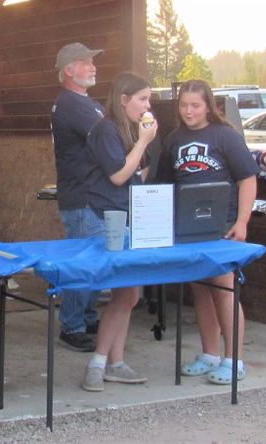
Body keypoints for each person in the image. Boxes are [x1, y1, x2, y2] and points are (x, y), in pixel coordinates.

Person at [159, 79, 259, 384]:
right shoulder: (174, 139)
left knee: (224, 289)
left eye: (195, 105)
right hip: (188, 229)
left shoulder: (225, 136)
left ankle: (235, 360)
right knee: (201, 290)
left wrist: (241, 222)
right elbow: (163, 184)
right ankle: (210, 354)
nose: (189, 111)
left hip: (222, 228)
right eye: (184, 105)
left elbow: (248, 179)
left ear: (209, 107)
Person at [81, 71, 157, 392]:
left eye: (149, 99)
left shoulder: (130, 129)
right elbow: (117, 176)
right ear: (123, 99)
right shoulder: (105, 130)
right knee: (125, 293)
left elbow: (141, 172)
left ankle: (115, 363)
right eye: (142, 98)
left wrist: (146, 142)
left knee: (129, 294)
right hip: (104, 218)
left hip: (127, 217)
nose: (147, 105)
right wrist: (142, 142)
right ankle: (98, 363)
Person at [50, 42, 105, 352]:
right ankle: (72, 325)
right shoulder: (73, 104)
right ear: (69, 70)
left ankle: (86, 315)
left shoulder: (86, 102)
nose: (93, 67)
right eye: (86, 62)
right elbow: (107, 142)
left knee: (93, 262)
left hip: (91, 197)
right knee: (83, 263)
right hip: (82, 198)